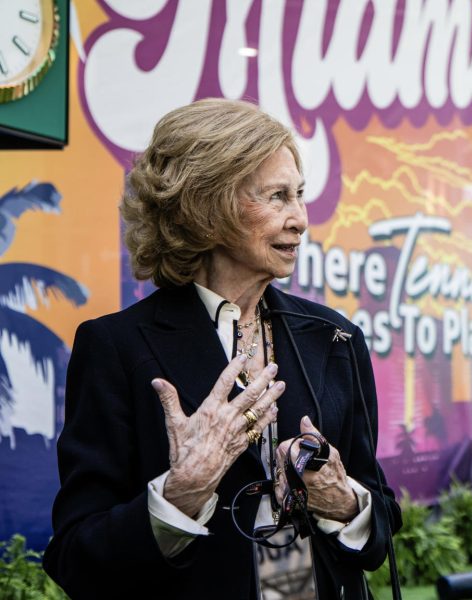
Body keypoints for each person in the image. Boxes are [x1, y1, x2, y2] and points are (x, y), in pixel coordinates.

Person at [42, 99, 401, 598]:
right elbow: (76, 557)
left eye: (299, 195)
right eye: (277, 197)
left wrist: (342, 501)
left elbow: (378, 526)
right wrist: (181, 493)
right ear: (206, 205)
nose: (300, 218)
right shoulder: (115, 348)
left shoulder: (334, 339)